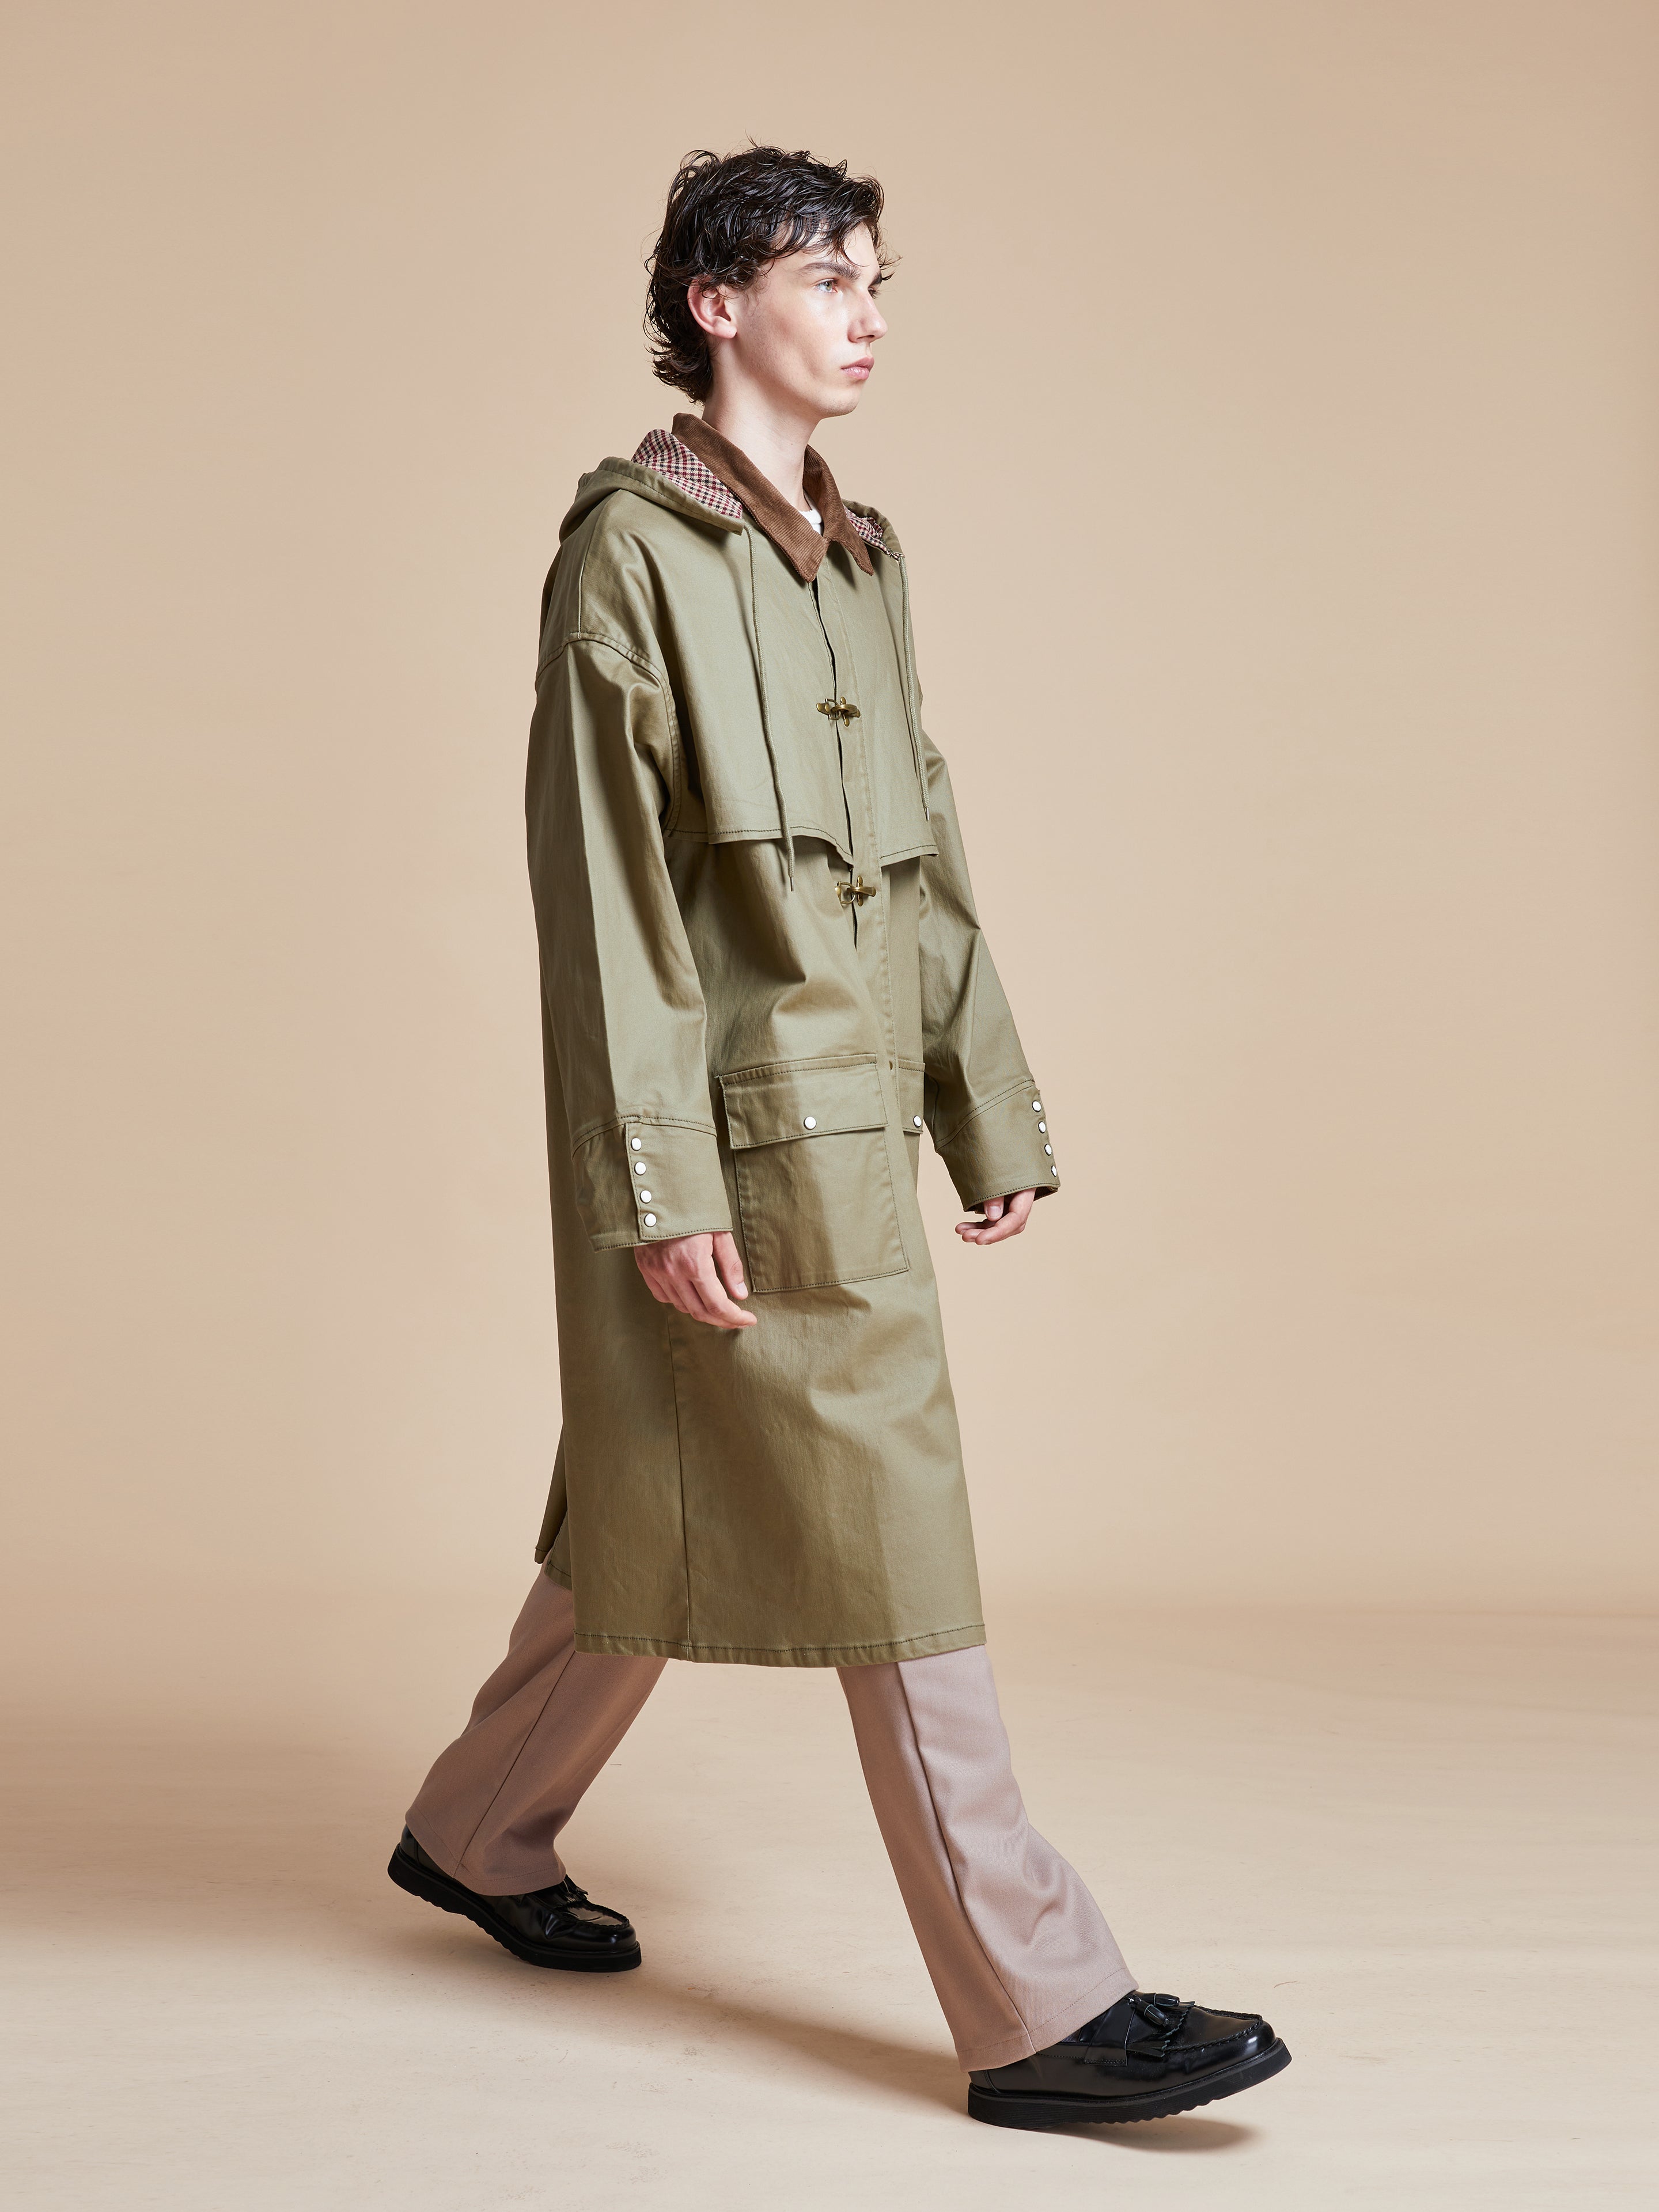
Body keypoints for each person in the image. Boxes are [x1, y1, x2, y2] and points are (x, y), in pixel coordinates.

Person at [388, 144, 1290, 2131]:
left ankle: (478, 1825)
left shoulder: (871, 559)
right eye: (826, 276)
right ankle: (1037, 2002)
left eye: (880, 279)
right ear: (718, 305)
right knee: (895, 1535)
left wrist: (987, 1097)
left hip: (864, 1118)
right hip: (732, 1145)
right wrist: (661, 1184)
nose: (867, 312)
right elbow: (608, 902)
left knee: (654, 1488)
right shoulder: (628, 553)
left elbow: (932, 851)